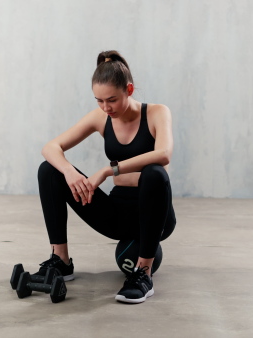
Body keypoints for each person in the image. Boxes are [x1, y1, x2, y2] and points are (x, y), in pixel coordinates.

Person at [36, 50, 176, 304]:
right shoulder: (101, 117)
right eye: (99, 101)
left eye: (111, 99)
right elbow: (50, 147)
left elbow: (164, 154)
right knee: (49, 169)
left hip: (157, 217)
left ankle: (143, 273)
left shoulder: (157, 113)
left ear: (129, 89)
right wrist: (69, 172)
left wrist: (107, 170)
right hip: (117, 215)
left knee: (154, 173)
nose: (105, 107)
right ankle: (61, 261)